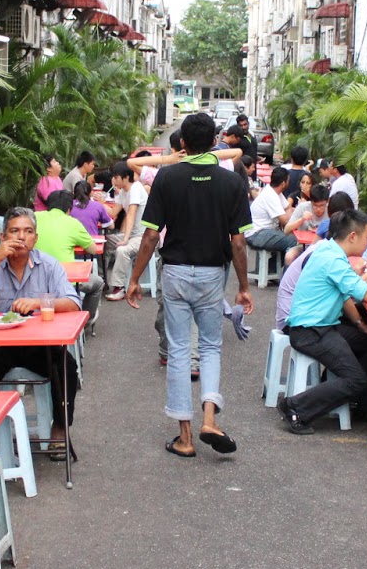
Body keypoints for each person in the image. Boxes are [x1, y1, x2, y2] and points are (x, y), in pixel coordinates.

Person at [126, 110, 254, 459]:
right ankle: (209, 419)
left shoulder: (167, 178)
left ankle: (184, 437)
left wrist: (134, 279)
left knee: (180, 350)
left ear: (182, 142)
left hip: (175, 272)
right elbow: (238, 243)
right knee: (210, 347)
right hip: (213, 274)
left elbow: (150, 235)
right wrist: (243, 286)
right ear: (214, 142)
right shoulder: (232, 183)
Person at [0, 208, 84, 449]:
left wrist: (40, 302)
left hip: (38, 346)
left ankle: (60, 427)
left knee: (66, 367)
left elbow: (73, 302)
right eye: (14, 231)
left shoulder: (48, 265)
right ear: (2, 237)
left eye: (28, 231)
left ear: (35, 238)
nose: (21, 237)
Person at [275, 208, 367, 435]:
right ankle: (295, 407)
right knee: (355, 379)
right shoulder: (333, 259)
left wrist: (360, 325)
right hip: (311, 331)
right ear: (352, 236)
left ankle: (364, 406)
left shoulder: (327, 249)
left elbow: (344, 297)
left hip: (323, 327)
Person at [35, 190, 102, 318]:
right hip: (65, 280)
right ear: (69, 209)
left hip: (35, 278)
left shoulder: (34, 217)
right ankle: (86, 320)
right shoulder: (72, 223)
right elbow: (93, 250)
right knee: (98, 283)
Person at [105, 161, 148, 301]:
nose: (113, 180)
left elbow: (131, 214)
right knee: (103, 243)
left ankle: (119, 288)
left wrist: (125, 239)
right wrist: (98, 204)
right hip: (130, 235)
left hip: (143, 237)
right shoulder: (123, 191)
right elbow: (113, 212)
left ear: (126, 177)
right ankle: (102, 279)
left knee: (122, 250)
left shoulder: (136, 189)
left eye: (116, 177)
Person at [247, 165, 298, 257]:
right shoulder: (270, 195)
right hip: (257, 234)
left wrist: (290, 214)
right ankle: (282, 264)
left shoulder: (276, 193)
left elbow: (288, 208)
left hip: (266, 231)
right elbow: (285, 220)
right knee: (294, 240)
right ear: (283, 183)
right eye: (288, 181)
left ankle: (275, 264)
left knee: (288, 236)